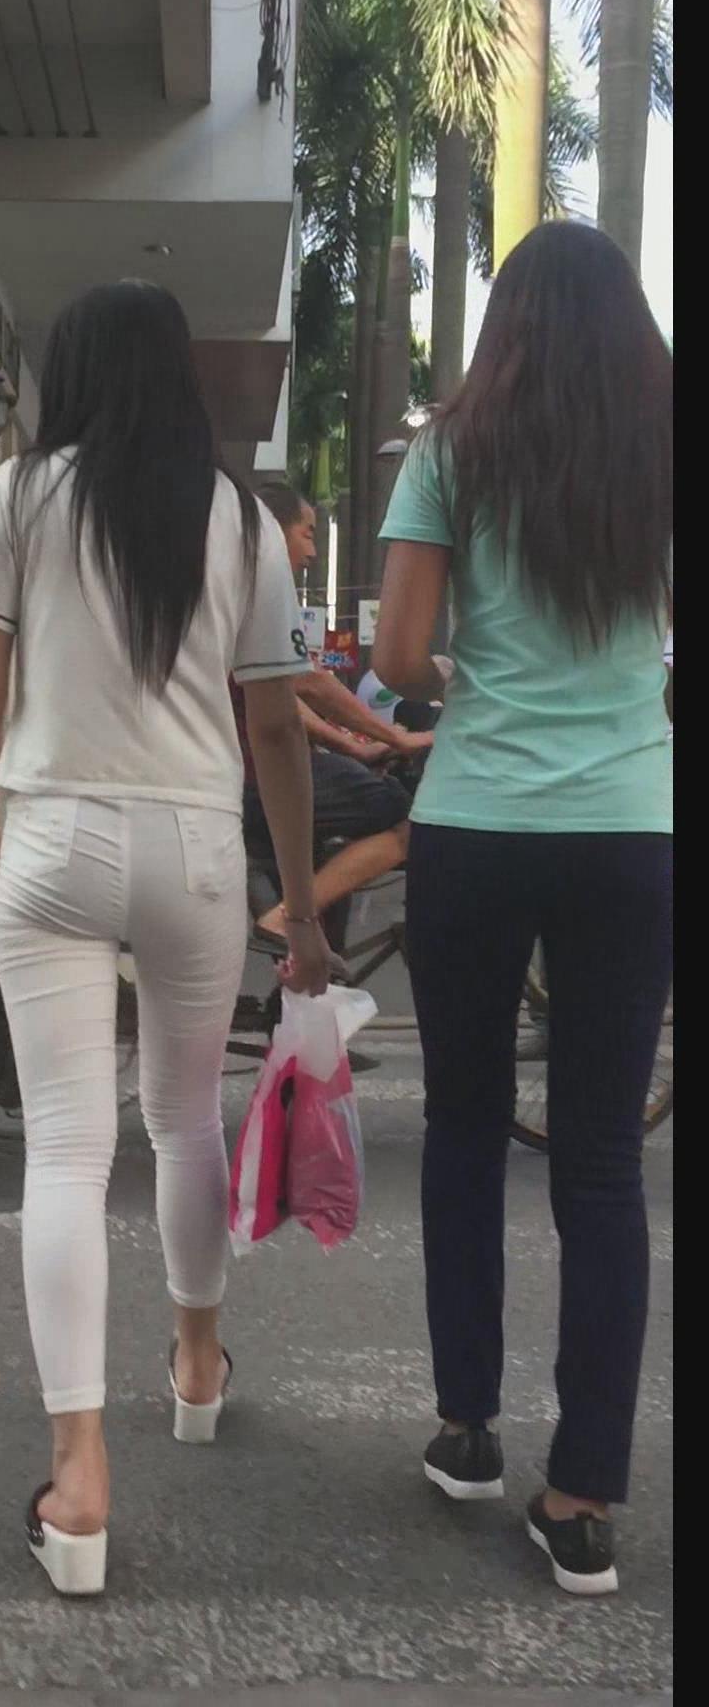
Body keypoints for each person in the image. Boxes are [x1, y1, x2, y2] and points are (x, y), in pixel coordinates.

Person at [0, 281, 332, 1597]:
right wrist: (305, 909)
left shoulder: (18, 497)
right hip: (197, 851)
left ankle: (80, 1478)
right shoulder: (244, 522)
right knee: (185, 1119)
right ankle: (198, 1367)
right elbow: (274, 723)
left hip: (51, 839)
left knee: (65, 1144)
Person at [374, 221, 672, 1597]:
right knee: (604, 1161)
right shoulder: (662, 449)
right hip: (631, 831)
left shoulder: (453, 448)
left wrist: (471, 686)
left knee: (464, 1124)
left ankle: (466, 1430)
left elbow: (397, 653)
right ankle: (585, 1498)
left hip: (479, 824)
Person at [232, 483, 431, 943]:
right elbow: (307, 682)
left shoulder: (227, 589)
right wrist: (397, 738)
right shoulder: (261, 590)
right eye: (307, 534)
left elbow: (284, 700)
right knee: (411, 821)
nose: (313, 552)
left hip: (234, 779)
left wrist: (353, 747)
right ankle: (290, 915)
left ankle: (303, 942)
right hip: (261, 779)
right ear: (272, 531)